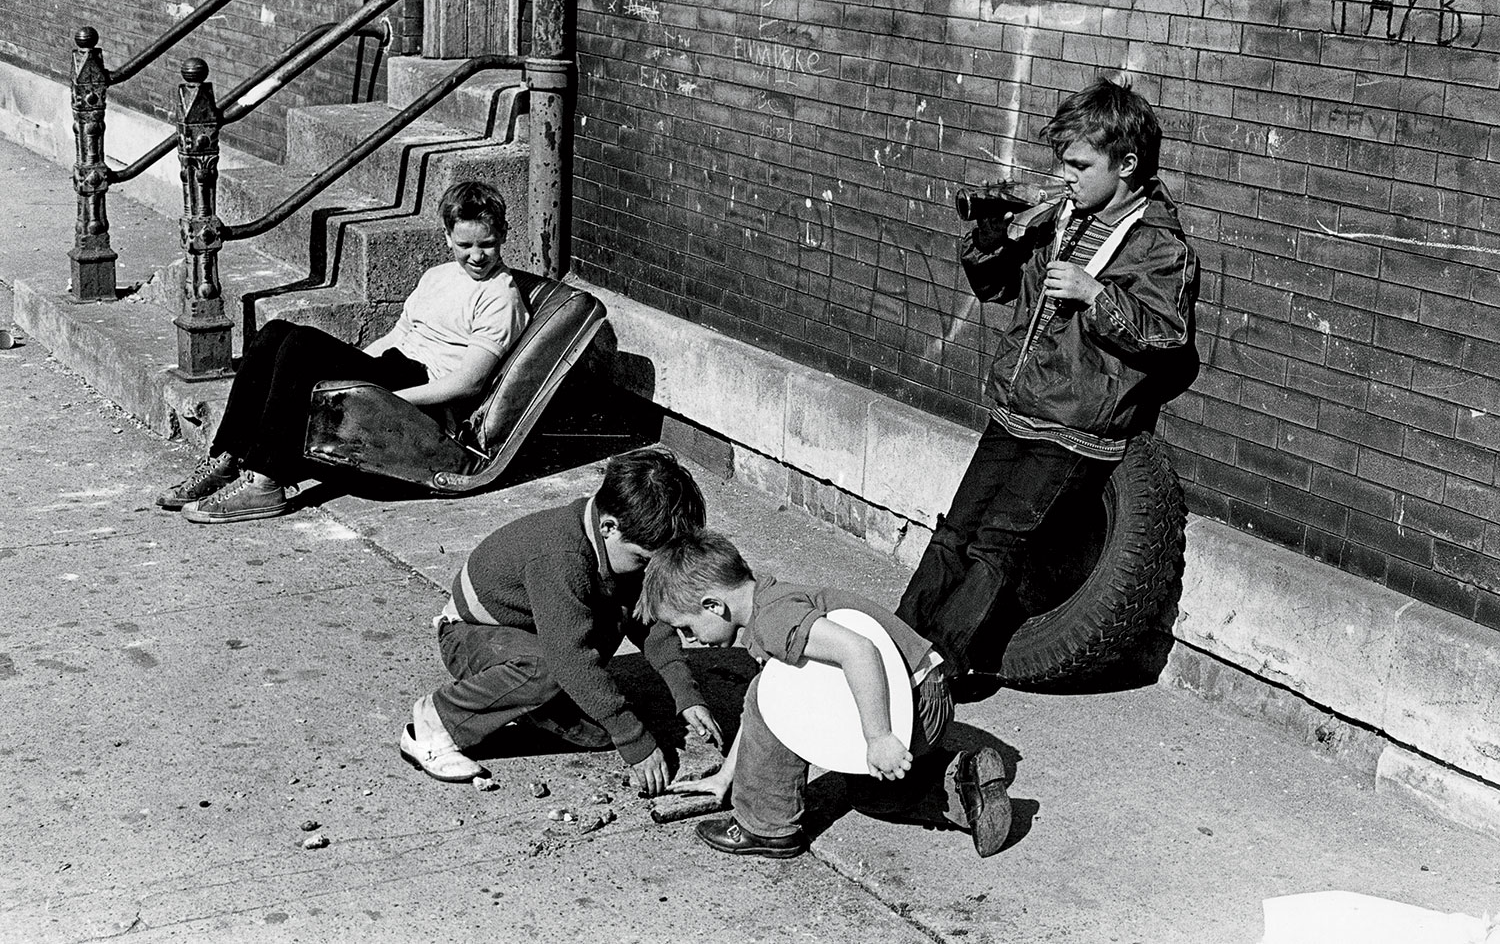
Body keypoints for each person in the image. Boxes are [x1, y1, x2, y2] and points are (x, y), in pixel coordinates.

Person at [896, 78, 1200, 683]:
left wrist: (1096, 295)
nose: (1066, 176)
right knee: (957, 530)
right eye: (1062, 162)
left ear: (1128, 165)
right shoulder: (1064, 217)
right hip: (1016, 404)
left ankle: (940, 671)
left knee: (996, 548)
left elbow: (1166, 336)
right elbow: (999, 287)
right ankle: (897, 640)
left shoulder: (1158, 246)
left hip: (1073, 427)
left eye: (1081, 165)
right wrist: (987, 240)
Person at [155, 180, 529, 523]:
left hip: (423, 388)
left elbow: (468, 383)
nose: (477, 256)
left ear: (504, 236)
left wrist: (384, 397)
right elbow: (397, 334)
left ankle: (266, 482)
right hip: (392, 366)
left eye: (487, 244)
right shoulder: (438, 276)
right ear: (447, 237)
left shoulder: (501, 296)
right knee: (275, 333)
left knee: (302, 345)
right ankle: (229, 458)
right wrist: (353, 373)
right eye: (465, 245)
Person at [640, 529, 1012, 860]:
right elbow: (765, 696)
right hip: (918, 694)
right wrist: (726, 775)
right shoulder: (771, 602)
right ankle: (962, 782)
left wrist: (878, 736)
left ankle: (765, 826)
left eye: (686, 629)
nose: (690, 641)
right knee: (869, 796)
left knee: (772, 702)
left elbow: (858, 650)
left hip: (911, 701)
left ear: (713, 606)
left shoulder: (773, 620)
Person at [400, 446, 722, 795]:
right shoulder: (560, 555)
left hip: (531, 632)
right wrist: (635, 742)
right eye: (644, 560)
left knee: (598, 733)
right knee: (554, 670)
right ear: (609, 527)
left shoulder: (617, 539)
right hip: (469, 635)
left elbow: (649, 621)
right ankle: (435, 723)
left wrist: (686, 695)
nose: (648, 571)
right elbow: (569, 657)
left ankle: (521, 698)